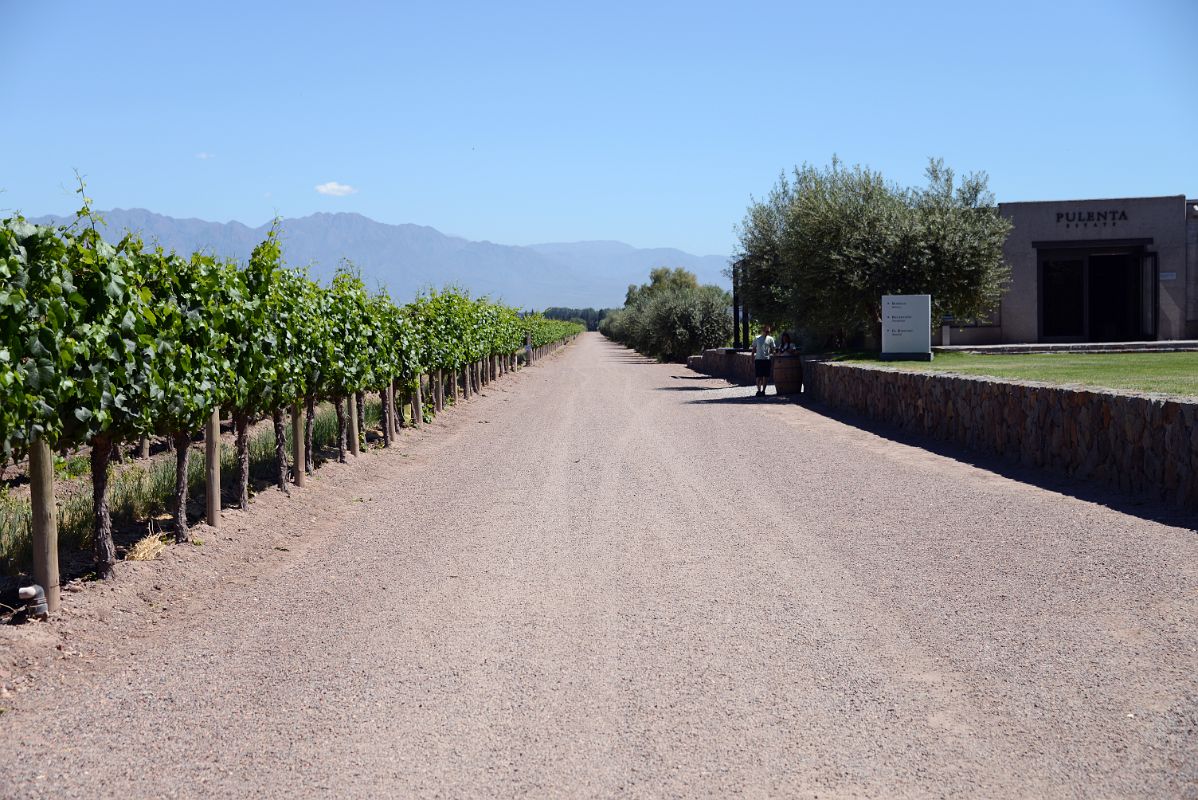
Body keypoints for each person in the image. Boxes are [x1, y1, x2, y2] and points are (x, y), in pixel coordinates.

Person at [752, 324, 776, 396]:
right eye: (766, 331)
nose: (767, 332)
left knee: (765, 376)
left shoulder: (771, 339)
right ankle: (758, 390)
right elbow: (753, 349)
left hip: (767, 359)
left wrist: (775, 355)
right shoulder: (757, 338)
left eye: (768, 331)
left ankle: (763, 391)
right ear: (763, 330)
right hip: (758, 359)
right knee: (758, 376)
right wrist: (752, 357)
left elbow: (773, 349)